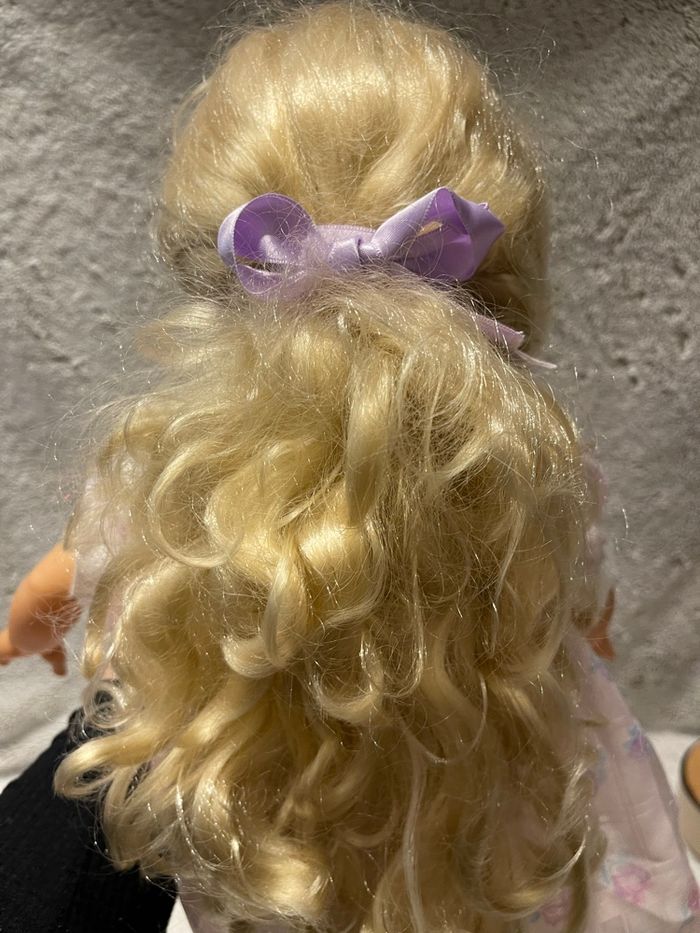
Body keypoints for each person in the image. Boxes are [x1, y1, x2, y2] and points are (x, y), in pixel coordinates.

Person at [1, 3, 697, 930]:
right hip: (500, 830)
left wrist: (28, 625)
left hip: (278, 829)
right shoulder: (539, 473)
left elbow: (69, 574)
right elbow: (585, 610)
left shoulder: (160, 486)